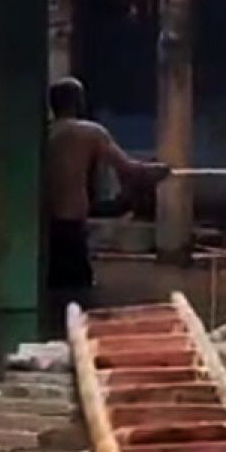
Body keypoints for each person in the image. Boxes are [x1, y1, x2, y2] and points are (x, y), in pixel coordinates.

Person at [45, 77, 170, 298]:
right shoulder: (90, 133)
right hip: (72, 223)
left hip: (43, 228)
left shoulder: (44, 133)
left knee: (54, 290)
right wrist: (158, 172)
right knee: (79, 294)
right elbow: (129, 170)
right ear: (77, 103)